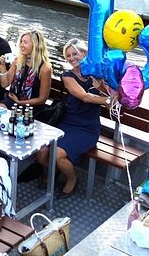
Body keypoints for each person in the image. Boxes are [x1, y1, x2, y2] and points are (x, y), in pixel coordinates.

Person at [36, 39, 115, 199]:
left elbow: (111, 98)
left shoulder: (98, 74)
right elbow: (84, 96)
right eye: (68, 56)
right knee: (41, 152)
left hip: (87, 128)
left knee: (57, 154)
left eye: (75, 54)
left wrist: (103, 89)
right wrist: (107, 101)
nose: (71, 58)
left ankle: (72, 179)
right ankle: (55, 170)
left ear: (84, 53)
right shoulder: (67, 76)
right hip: (67, 123)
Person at [0, 30, 52, 114]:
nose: (21, 45)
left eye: (25, 42)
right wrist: (3, 66)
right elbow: (4, 84)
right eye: (21, 42)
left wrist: (20, 102)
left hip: (30, 109)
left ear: (36, 45)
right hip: (11, 102)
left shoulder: (45, 68)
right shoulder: (17, 61)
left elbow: (42, 99)